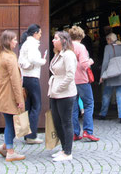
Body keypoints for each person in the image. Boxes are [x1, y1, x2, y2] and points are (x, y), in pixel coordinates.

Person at [0, 30, 26, 162]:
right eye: (14, 40)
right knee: (11, 123)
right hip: (9, 95)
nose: (16, 42)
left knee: (9, 122)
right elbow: (15, 81)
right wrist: (20, 100)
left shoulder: (0, 54)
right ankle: (10, 151)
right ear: (8, 41)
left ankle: (5, 146)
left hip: (2, 93)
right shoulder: (10, 57)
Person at [48, 31, 77, 162]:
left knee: (66, 122)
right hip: (55, 92)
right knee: (57, 122)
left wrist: (59, 88)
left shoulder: (68, 55)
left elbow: (70, 75)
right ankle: (64, 148)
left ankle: (68, 152)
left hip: (65, 93)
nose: (53, 41)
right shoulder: (58, 54)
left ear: (63, 41)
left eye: (56, 38)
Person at [69, 25, 99, 142]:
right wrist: (91, 60)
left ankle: (75, 133)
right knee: (89, 104)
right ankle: (87, 131)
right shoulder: (81, 47)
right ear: (81, 36)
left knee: (74, 107)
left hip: (71, 80)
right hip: (82, 79)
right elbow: (84, 64)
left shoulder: (67, 47)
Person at [18, 24, 47, 144]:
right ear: (35, 33)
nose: (40, 35)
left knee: (29, 106)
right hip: (32, 77)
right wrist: (43, 61)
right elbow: (33, 59)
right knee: (36, 106)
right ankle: (32, 135)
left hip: (26, 77)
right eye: (40, 33)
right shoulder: (32, 44)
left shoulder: (26, 43)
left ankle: (27, 134)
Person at [98, 32, 121, 123]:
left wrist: (102, 75)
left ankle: (103, 114)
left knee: (106, 95)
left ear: (109, 40)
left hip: (110, 75)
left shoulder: (107, 48)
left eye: (107, 40)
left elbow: (105, 62)